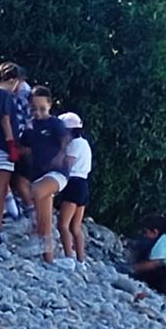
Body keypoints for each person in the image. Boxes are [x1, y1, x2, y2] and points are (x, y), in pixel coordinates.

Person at [0, 63, 32, 243]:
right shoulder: (4, 95)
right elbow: (5, 120)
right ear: (12, 80)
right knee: (1, 187)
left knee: (1, 186)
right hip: (2, 145)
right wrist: (11, 144)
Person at [23, 86, 70, 266]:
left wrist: (59, 156)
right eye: (34, 109)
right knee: (44, 209)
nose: (38, 113)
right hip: (39, 173)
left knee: (36, 191)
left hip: (57, 173)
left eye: (42, 108)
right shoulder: (30, 127)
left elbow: (65, 140)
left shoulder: (55, 123)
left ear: (49, 105)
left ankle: (37, 237)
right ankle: (48, 257)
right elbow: (25, 147)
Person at [56, 112, 91, 267]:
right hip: (83, 184)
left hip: (73, 183)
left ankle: (69, 257)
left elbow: (67, 166)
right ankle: (81, 260)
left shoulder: (75, 144)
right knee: (76, 227)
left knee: (63, 224)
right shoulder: (85, 143)